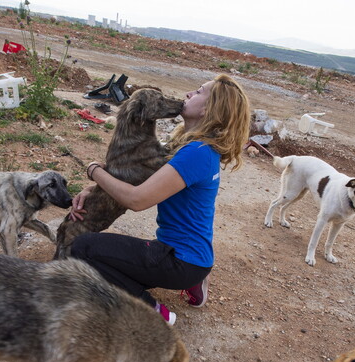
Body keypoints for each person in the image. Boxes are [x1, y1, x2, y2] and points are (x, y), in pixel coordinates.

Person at [69, 74, 251, 324]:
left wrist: (93, 170)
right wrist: (93, 188)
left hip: (179, 261)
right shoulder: (194, 147)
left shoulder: (195, 153)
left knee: (82, 248)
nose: (188, 94)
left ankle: (154, 312)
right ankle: (194, 280)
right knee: (112, 266)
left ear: (209, 109)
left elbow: (137, 199)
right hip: (187, 257)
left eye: (198, 92)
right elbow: (137, 176)